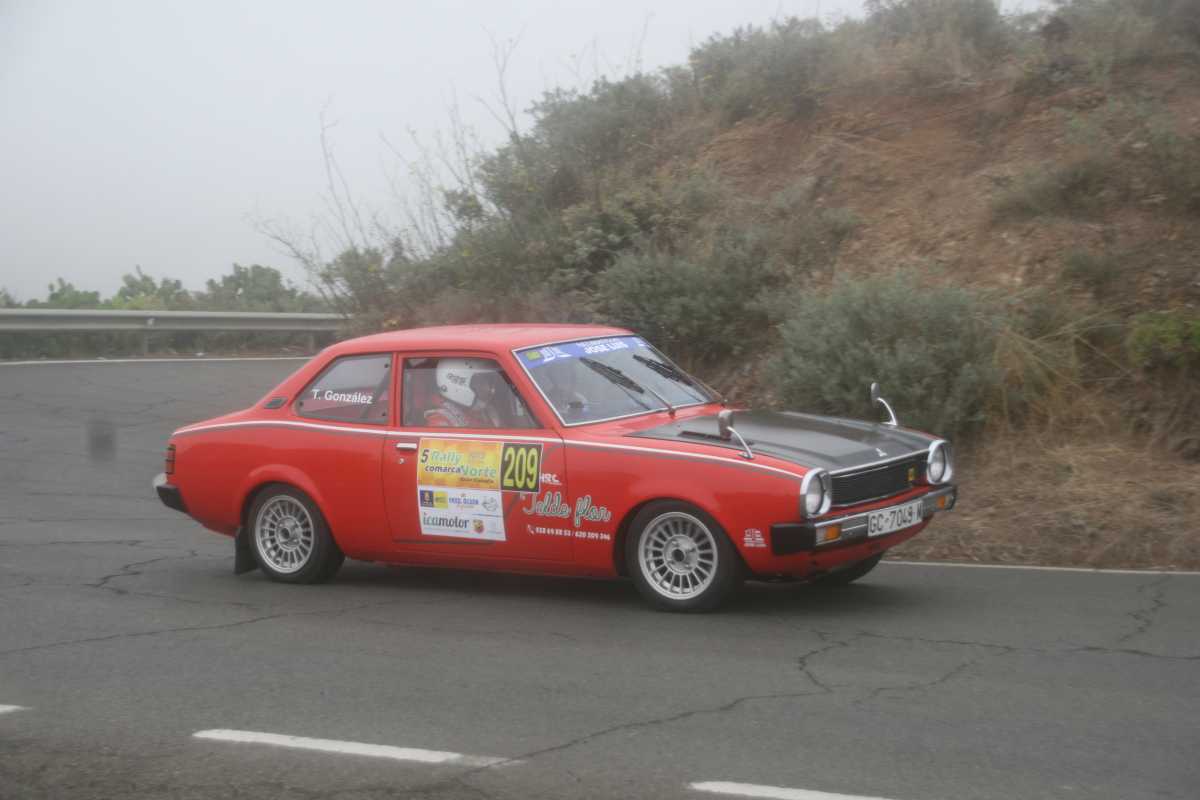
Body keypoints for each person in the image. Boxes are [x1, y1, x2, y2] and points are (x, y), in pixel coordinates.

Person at [425, 358, 504, 428]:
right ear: (457, 383)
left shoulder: (488, 412)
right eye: (480, 383)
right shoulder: (440, 421)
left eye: (488, 382)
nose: (488, 389)